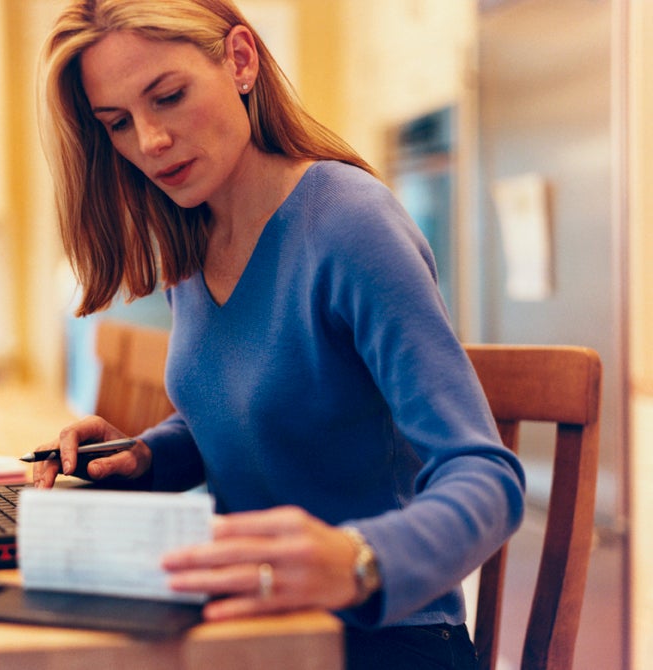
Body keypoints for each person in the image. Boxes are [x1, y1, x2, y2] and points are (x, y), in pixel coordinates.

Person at [33, 1, 525, 668]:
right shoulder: (196, 235)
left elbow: (488, 477)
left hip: (382, 639)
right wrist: (149, 455)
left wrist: (357, 561)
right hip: (252, 630)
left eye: (169, 97)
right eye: (117, 123)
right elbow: (261, 410)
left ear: (240, 60)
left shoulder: (349, 225)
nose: (148, 142)